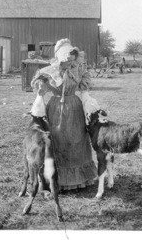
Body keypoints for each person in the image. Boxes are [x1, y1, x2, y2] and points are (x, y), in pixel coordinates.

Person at [29, 38, 100, 191]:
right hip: (56, 109)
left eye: (72, 59)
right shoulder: (50, 71)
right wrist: (42, 87)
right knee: (58, 139)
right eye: (68, 60)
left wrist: (87, 98)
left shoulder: (78, 69)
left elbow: (85, 86)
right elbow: (38, 85)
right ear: (61, 58)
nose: (70, 63)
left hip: (74, 107)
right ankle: (56, 179)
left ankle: (79, 178)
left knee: (76, 139)